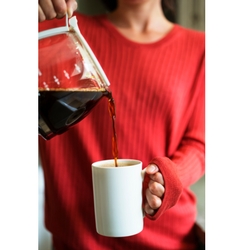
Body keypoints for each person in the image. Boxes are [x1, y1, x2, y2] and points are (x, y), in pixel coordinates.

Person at [38, 0, 205, 249]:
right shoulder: (58, 30)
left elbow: (200, 143)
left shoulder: (201, 48)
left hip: (169, 240)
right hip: (76, 239)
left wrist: (171, 177)